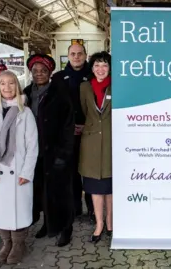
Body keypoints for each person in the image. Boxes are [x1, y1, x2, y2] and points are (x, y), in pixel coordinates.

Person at [0, 71, 38, 264]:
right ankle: (6, 243)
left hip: (17, 171)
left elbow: (32, 144)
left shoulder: (24, 112)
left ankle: (19, 244)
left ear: (17, 87)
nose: (7, 88)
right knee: (0, 210)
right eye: (3, 84)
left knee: (17, 210)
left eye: (11, 84)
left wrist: (27, 172)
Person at [23, 54, 77, 247]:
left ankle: (66, 229)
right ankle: (47, 224)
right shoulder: (27, 93)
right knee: (41, 192)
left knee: (61, 194)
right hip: (34, 153)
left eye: (43, 71)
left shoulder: (60, 92)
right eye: (35, 71)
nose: (39, 74)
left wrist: (64, 154)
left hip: (56, 153)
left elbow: (68, 125)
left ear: (50, 72)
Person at [55, 43, 94, 223]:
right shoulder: (58, 78)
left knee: (90, 173)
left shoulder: (95, 75)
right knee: (71, 174)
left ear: (86, 55)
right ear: (68, 56)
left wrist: (86, 125)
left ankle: (92, 210)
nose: (76, 57)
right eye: (73, 54)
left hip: (91, 133)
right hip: (68, 135)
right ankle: (75, 209)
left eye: (80, 53)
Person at [78, 51, 113, 243]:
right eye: (97, 65)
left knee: (110, 187)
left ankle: (110, 222)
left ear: (110, 68)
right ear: (92, 68)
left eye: (105, 65)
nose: (101, 69)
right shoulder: (84, 87)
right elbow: (85, 112)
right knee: (96, 188)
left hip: (111, 141)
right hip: (91, 144)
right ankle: (99, 223)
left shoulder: (117, 86)